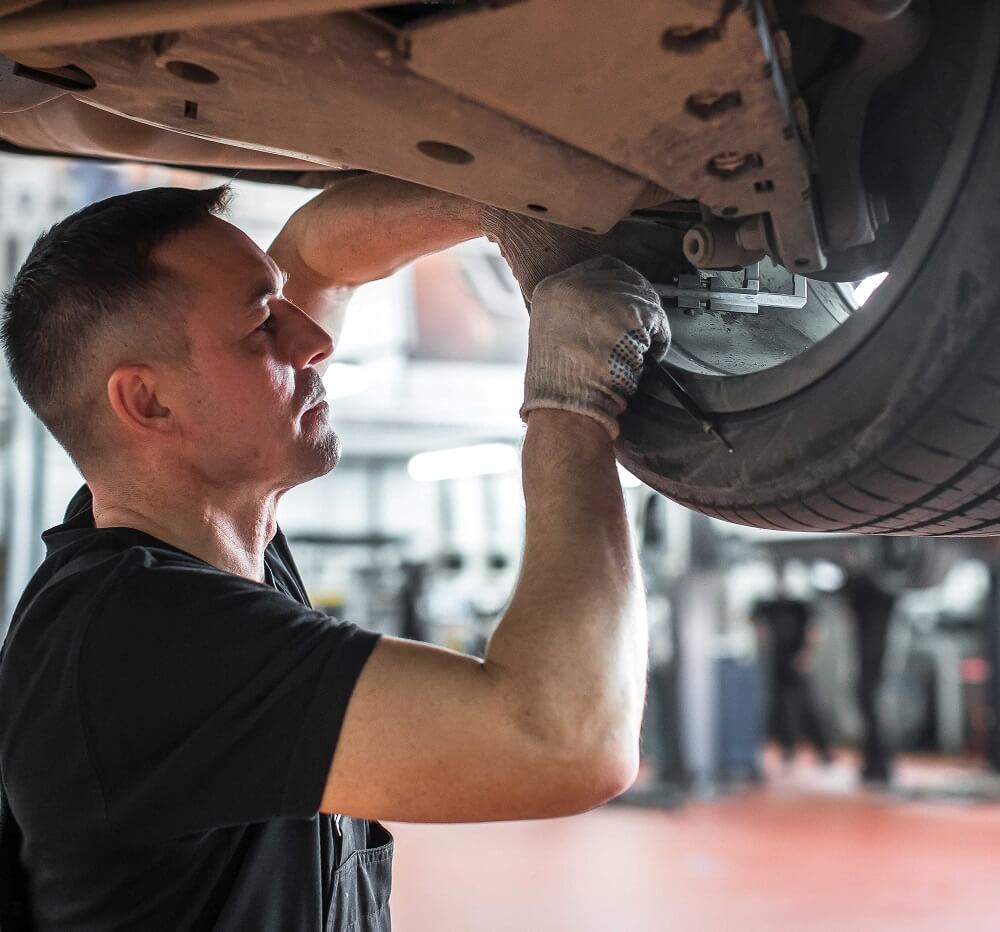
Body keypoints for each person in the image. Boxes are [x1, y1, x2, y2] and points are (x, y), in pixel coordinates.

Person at [0, 175, 670, 930]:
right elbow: (570, 741)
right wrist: (575, 403)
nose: (313, 340)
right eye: (262, 328)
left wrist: (514, 202)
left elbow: (318, 253)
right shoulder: (144, 640)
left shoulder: (190, 525)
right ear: (149, 403)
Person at [751, 573, 832, 766]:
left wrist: (807, 655)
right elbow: (755, 620)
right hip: (777, 663)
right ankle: (788, 749)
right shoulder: (768, 606)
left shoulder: (799, 606)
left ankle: (822, 750)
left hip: (797, 663)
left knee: (807, 707)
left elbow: (814, 630)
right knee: (780, 709)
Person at [842, 569, 896, 784]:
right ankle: (876, 764)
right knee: (869, 706)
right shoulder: (884, 593)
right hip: (872, 660)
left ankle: (878, 764)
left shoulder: (874, 593)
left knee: (868, 704)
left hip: (871, 662)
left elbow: (849, 595)